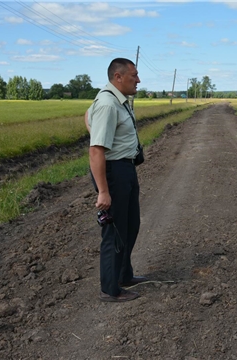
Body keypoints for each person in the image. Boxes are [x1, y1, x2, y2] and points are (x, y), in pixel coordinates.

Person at [87, 58, 148, 302]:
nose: (139, 80)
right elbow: (96, 151)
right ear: (118, 77)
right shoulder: (107, 104)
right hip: (113, 172)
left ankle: (124, 275)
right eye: (134, 75)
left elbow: (87, 116)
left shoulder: (117, 101)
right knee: (114, 232)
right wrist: (103, 191)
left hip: (126, 169)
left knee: (131, 225)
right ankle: (110, 290)